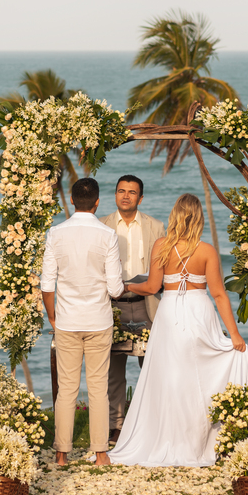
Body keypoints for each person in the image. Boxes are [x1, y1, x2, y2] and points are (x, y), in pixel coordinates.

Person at [108, 193, 248, 467]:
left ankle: (169, 437)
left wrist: (127, 286)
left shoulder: (161, 245)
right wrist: (234, 335)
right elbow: (219, 295)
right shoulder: (207, 250)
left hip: (171, 313)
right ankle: (199, 441)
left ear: (175, 215)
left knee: (171, 377)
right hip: (199, 312)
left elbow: (151, 288)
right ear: (199, 218)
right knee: (199, 377)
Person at [41, 177, 124, 467]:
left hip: (66, 321)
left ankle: (61, 454)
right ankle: (101, 453)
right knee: (98, 387)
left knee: (67, 388)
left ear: (73, 201)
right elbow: (115, 289)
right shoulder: (108, 235)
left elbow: (47, 284)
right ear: (98, 202)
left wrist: (53, 317)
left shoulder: (55, 233)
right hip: (99, 321)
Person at [101, 174, 165, 445]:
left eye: (132, 192)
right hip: (111, 305)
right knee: (113, 369)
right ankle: (116, 426)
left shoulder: (156, 226)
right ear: (115, 195)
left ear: (141, 197)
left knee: (152, 366)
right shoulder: (101, 225)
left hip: (146, 304)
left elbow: (161, 270)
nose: (126, 196)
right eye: (121, 191)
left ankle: (151, 423)